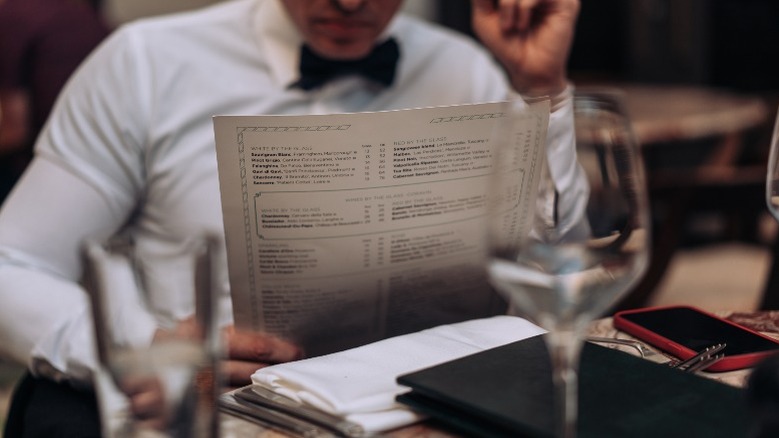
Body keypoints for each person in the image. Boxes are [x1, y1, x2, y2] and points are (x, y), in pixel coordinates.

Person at [0, 0, 582, 435]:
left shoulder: (468, 69)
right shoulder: (145, 62)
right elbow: (11, 262)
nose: (351, 2)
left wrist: (542, 92)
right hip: (221, 415)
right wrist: (149, 347)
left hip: (420, 417)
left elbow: (566, 279)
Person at [0, 0, 110, 204]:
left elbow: (14, 132)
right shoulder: (83, 13)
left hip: (46, 169)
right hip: (103, 166)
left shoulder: (12, 17)